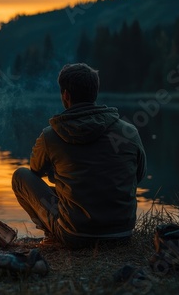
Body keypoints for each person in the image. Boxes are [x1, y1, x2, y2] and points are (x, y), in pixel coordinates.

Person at [12, 63, 146, 249]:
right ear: (95, 93)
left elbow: (35, 170)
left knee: (21, 176)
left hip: (76, 235)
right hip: (122, 233)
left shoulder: (51, 136)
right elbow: (137, 175)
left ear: (66, 95)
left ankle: (52, 234)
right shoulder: (128, 131)